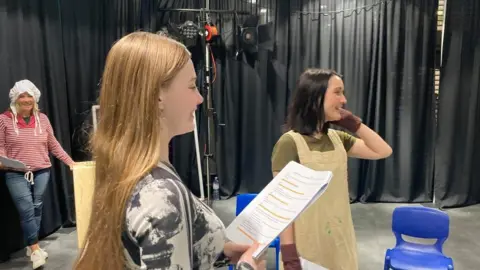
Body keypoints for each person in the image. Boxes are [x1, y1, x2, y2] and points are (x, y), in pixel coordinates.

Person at [73, 32, 265, 270]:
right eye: (192, 86)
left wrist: (218, 251)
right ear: (157, 96)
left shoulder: (132, 170)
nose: (200, 99)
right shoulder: (161, 194)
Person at [271, 69, 393, 270]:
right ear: (316, 96)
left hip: (340, 240)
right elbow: (283, 205)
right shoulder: (289, 143)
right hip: (307, 246)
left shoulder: (339, 139)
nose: (344, 100)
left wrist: (355, 124)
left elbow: (383, 150)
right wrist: (289, 254)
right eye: (337, 92)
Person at [0, 79, 75, 269]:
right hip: (15, 173)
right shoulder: (4, 119)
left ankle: (31, 244)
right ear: (15, 99)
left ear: (35, 99)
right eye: (22, 96)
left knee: (37, 207)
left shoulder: (43, 119)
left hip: (42, 170)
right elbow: (0, 147)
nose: (26, 99)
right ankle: (35, 250)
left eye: (29, 96)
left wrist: (70, 162)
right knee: (26, 209)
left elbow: (53, 144)